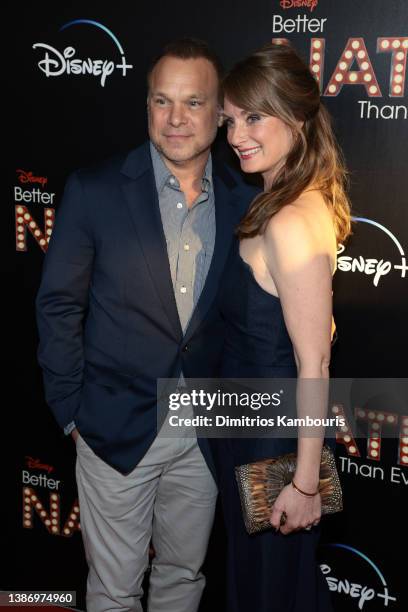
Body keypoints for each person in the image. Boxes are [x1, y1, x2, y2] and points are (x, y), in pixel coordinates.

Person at [35, 38, 256, 612]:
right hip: (112, 427)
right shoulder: (96, 188)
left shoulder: (245, 201)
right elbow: (59, 304)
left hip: (204, 433)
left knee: (184, 578)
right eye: (162, 101)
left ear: (219, 112)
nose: (176, 119)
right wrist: (71, 415)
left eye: (193, 102)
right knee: (114, 590)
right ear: (147, 106)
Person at [211, 42, 352, 611]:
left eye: (252, 117)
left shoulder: (292, 219)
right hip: (249, 428)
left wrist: (304, 482)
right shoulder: (278, 198)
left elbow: (314, 364)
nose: (235, 135)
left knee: (270, 592)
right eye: (229, 120)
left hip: (272, 441)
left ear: (295, 118)